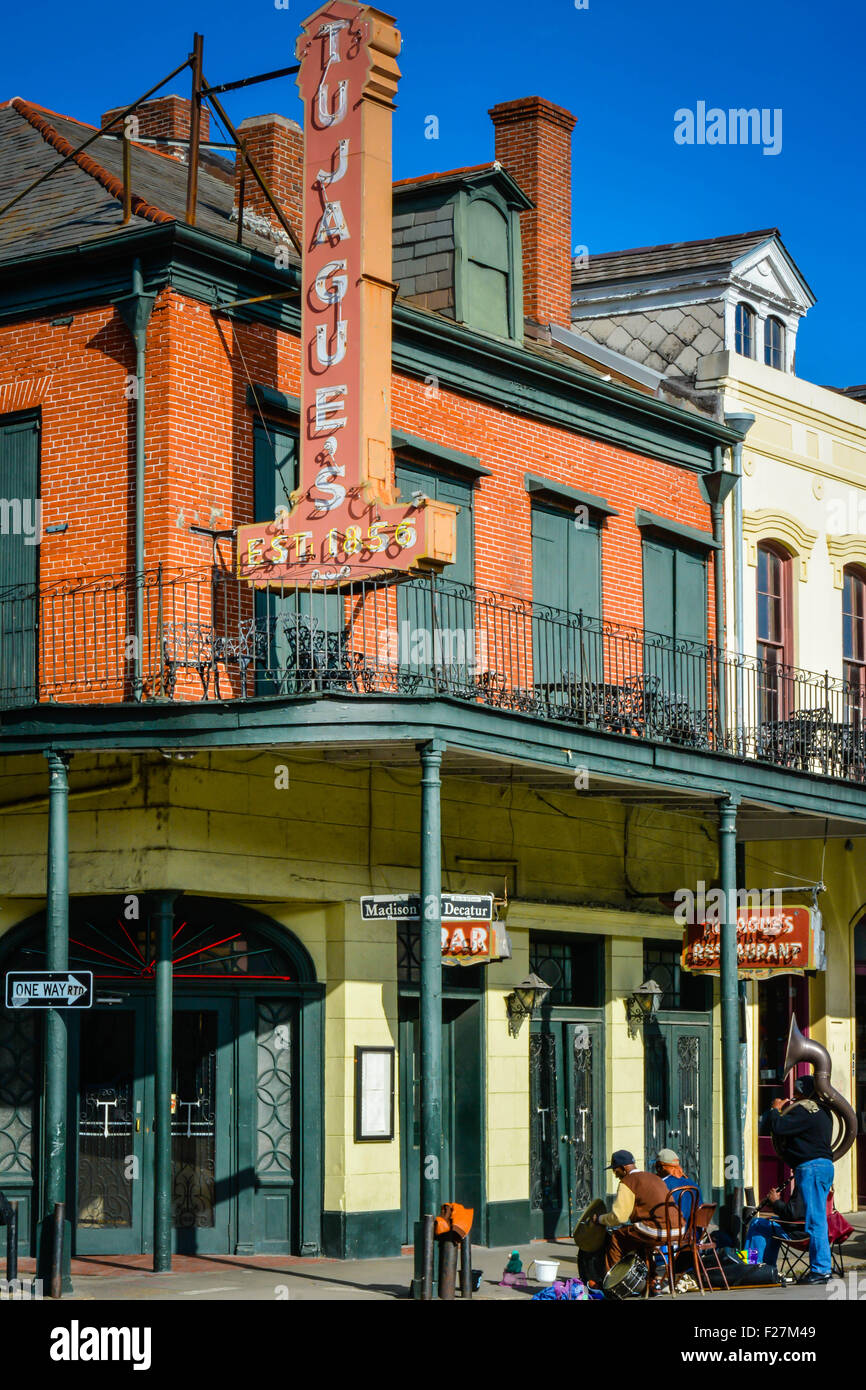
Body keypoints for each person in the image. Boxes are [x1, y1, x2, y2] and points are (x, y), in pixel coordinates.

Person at [759, 1076, 834, 1285]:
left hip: (811, 1167)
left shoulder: (804, 1109)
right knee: (817, 1218)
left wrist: (775, 1109)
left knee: (815, 1220)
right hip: (822, 1166)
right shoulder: (824, 1111)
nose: (793, 1096)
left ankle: (821, 1271)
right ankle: (822, 1268)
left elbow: (780, 1127)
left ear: (801, 1092)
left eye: (796, 1092)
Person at [593, 1148, 672, 1272]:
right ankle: (651, 1280)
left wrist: (600, 1219)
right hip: (678, 1229)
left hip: (657, 1230)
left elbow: (619, 1217)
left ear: (624, 1168)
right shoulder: (654, 1177)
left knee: (617, 1236)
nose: (614, 1173)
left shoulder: (628, 1181)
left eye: (615, 1169)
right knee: (636, 1237)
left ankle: (614, 1283)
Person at [746, 1184, 806, 1270]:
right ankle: (768, 1269)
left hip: (799, 1232)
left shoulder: (804, 1185)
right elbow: (798, 1214)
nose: (793, 1172)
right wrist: (773, 1204)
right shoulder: (819, 1184)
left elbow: (791, 1215)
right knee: (769, 1223)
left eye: (794, 1170)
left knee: (757, 1223)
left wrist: (776, 1202)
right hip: (808, 1229)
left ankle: (752, 1265)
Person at [655, 1147, 702, 1227]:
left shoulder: (662, 1185)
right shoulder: (694, 1184)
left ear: (661, 1167)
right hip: (693, 1235)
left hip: (673, 1234)